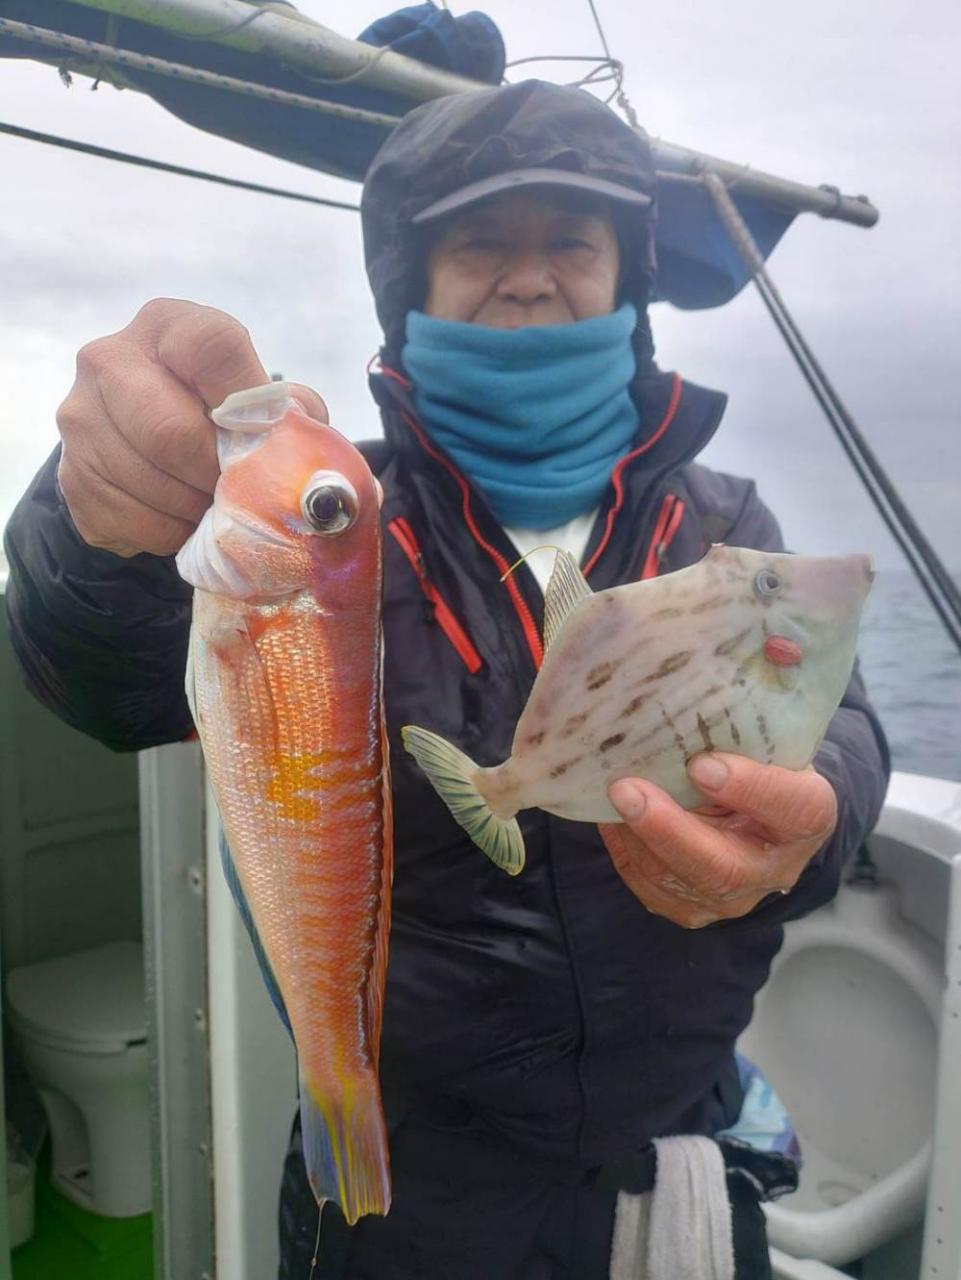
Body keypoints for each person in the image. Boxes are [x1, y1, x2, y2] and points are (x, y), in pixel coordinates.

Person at [3, 80, 889, 1279]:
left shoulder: (723, 524)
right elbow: (104, 678)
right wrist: (95, 525)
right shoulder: (343, 515)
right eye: (479, 243)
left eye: (570, 240)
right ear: (407, 285)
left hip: (674, 1151)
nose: (527, 276)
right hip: (414, 1177)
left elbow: (839, 718)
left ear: (625, 281)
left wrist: (815, 814)